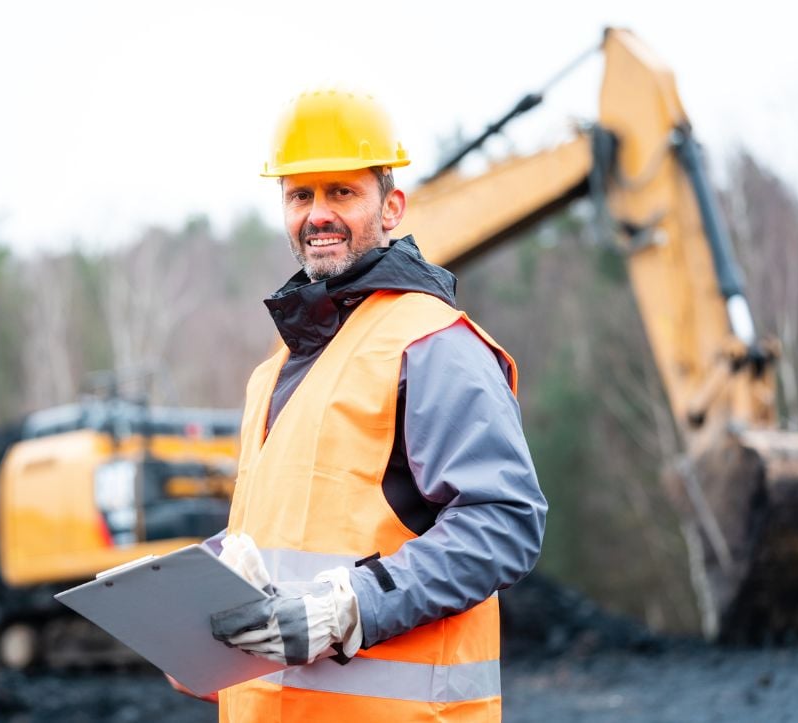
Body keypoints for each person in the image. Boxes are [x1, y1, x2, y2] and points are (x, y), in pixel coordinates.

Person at [189, 88, 547, 722]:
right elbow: (289, 536)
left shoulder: (431, 343)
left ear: (392, 208)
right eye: (301, 195)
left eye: (341, 193)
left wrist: (353, 604)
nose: (317, 214)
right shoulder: (273, 373)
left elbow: (505, 521)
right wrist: (196, 615)